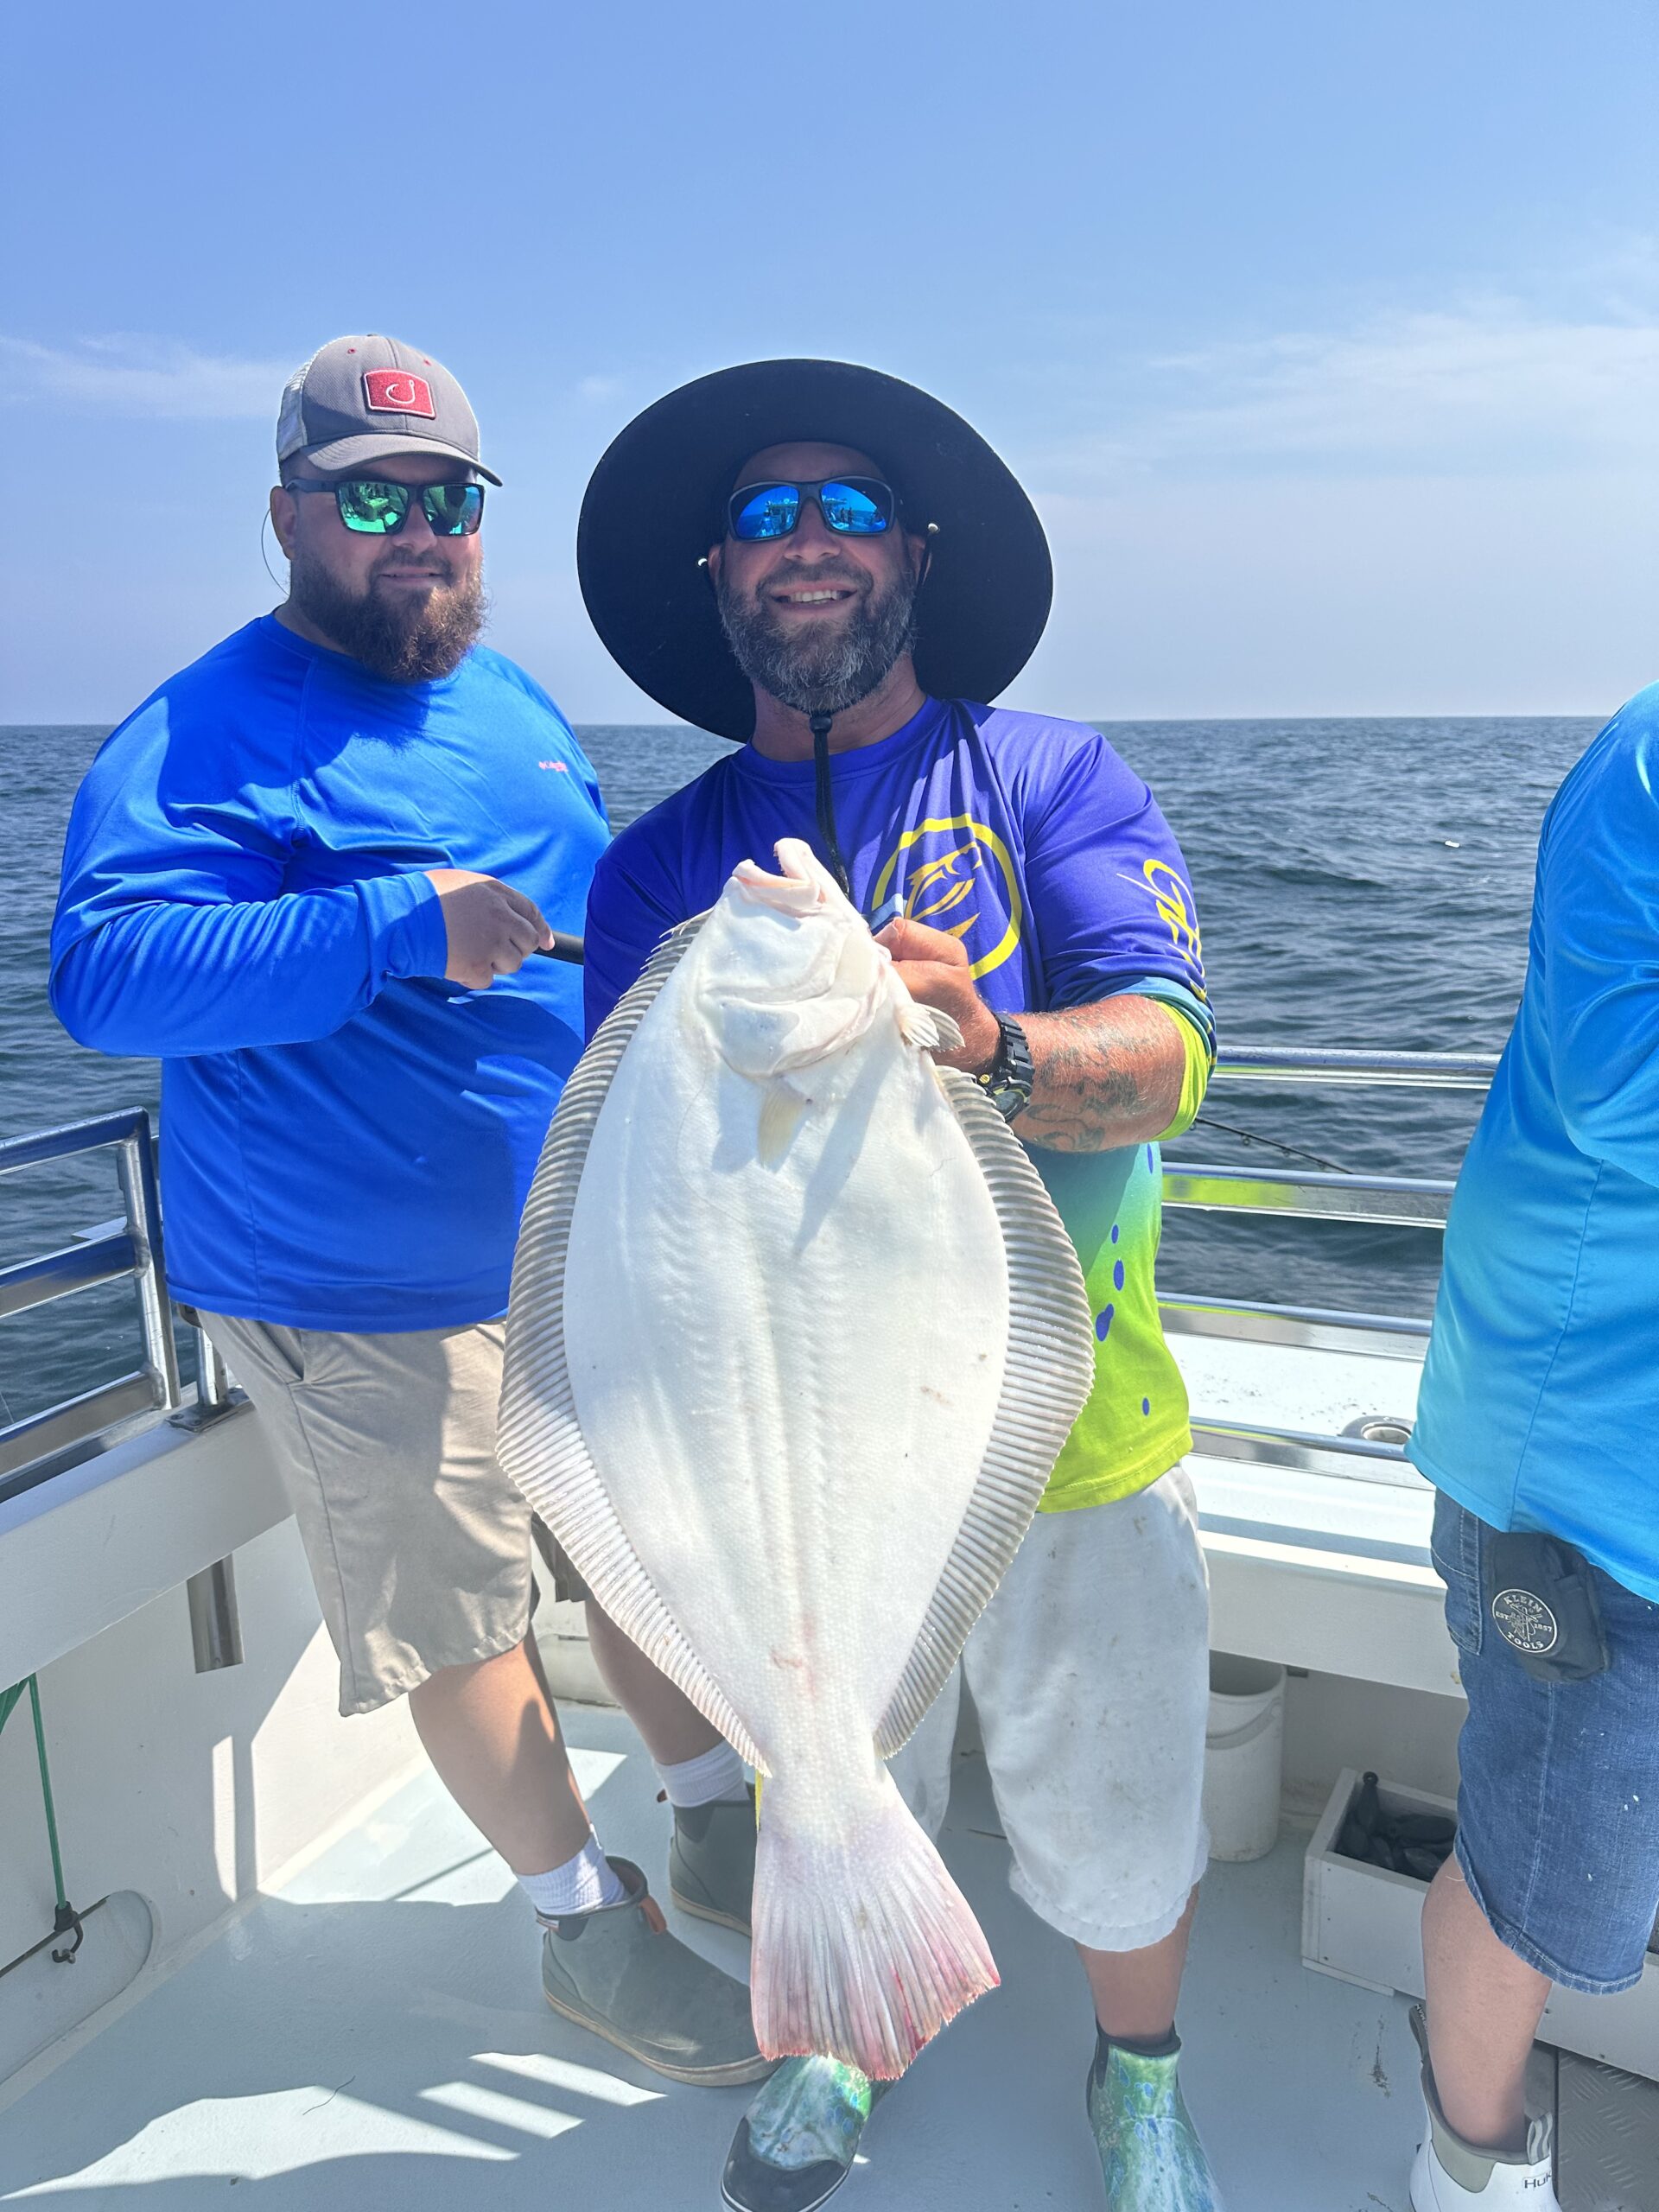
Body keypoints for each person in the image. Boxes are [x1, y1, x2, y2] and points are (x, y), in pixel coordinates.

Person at [49, 333, 771, 2089]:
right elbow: (105, 973)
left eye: (446, 498)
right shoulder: (196, 729)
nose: (418, 534)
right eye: (373, 497)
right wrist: (382, 922)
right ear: (289, 513)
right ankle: (584, 1934)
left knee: (634, 1550)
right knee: (463, 1615)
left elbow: (580, 939)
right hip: (346, 1284)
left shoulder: (512, 704)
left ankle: (706, 1814)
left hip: (569, 1247)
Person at [573, 359, 1228, 2211]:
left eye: (847, 507)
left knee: (1119, 1808)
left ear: (916, 554)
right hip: (789, 1451)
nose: (807, 544)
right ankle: (843, 2038)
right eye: (765, 516)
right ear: (716, 574)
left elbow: (1171, 1048)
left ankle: (1145, 2072)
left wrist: (989, 1047)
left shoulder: (1053, 776)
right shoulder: (658, 864)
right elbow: (622, 1163)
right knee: (827, 1771)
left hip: (1069, 1428)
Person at [1404, 687, 1659, 2210]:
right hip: (1587, 1487)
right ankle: (1466, 2164)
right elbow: (1620, 1101)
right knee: (1536, 1867)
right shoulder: (1645, 768)